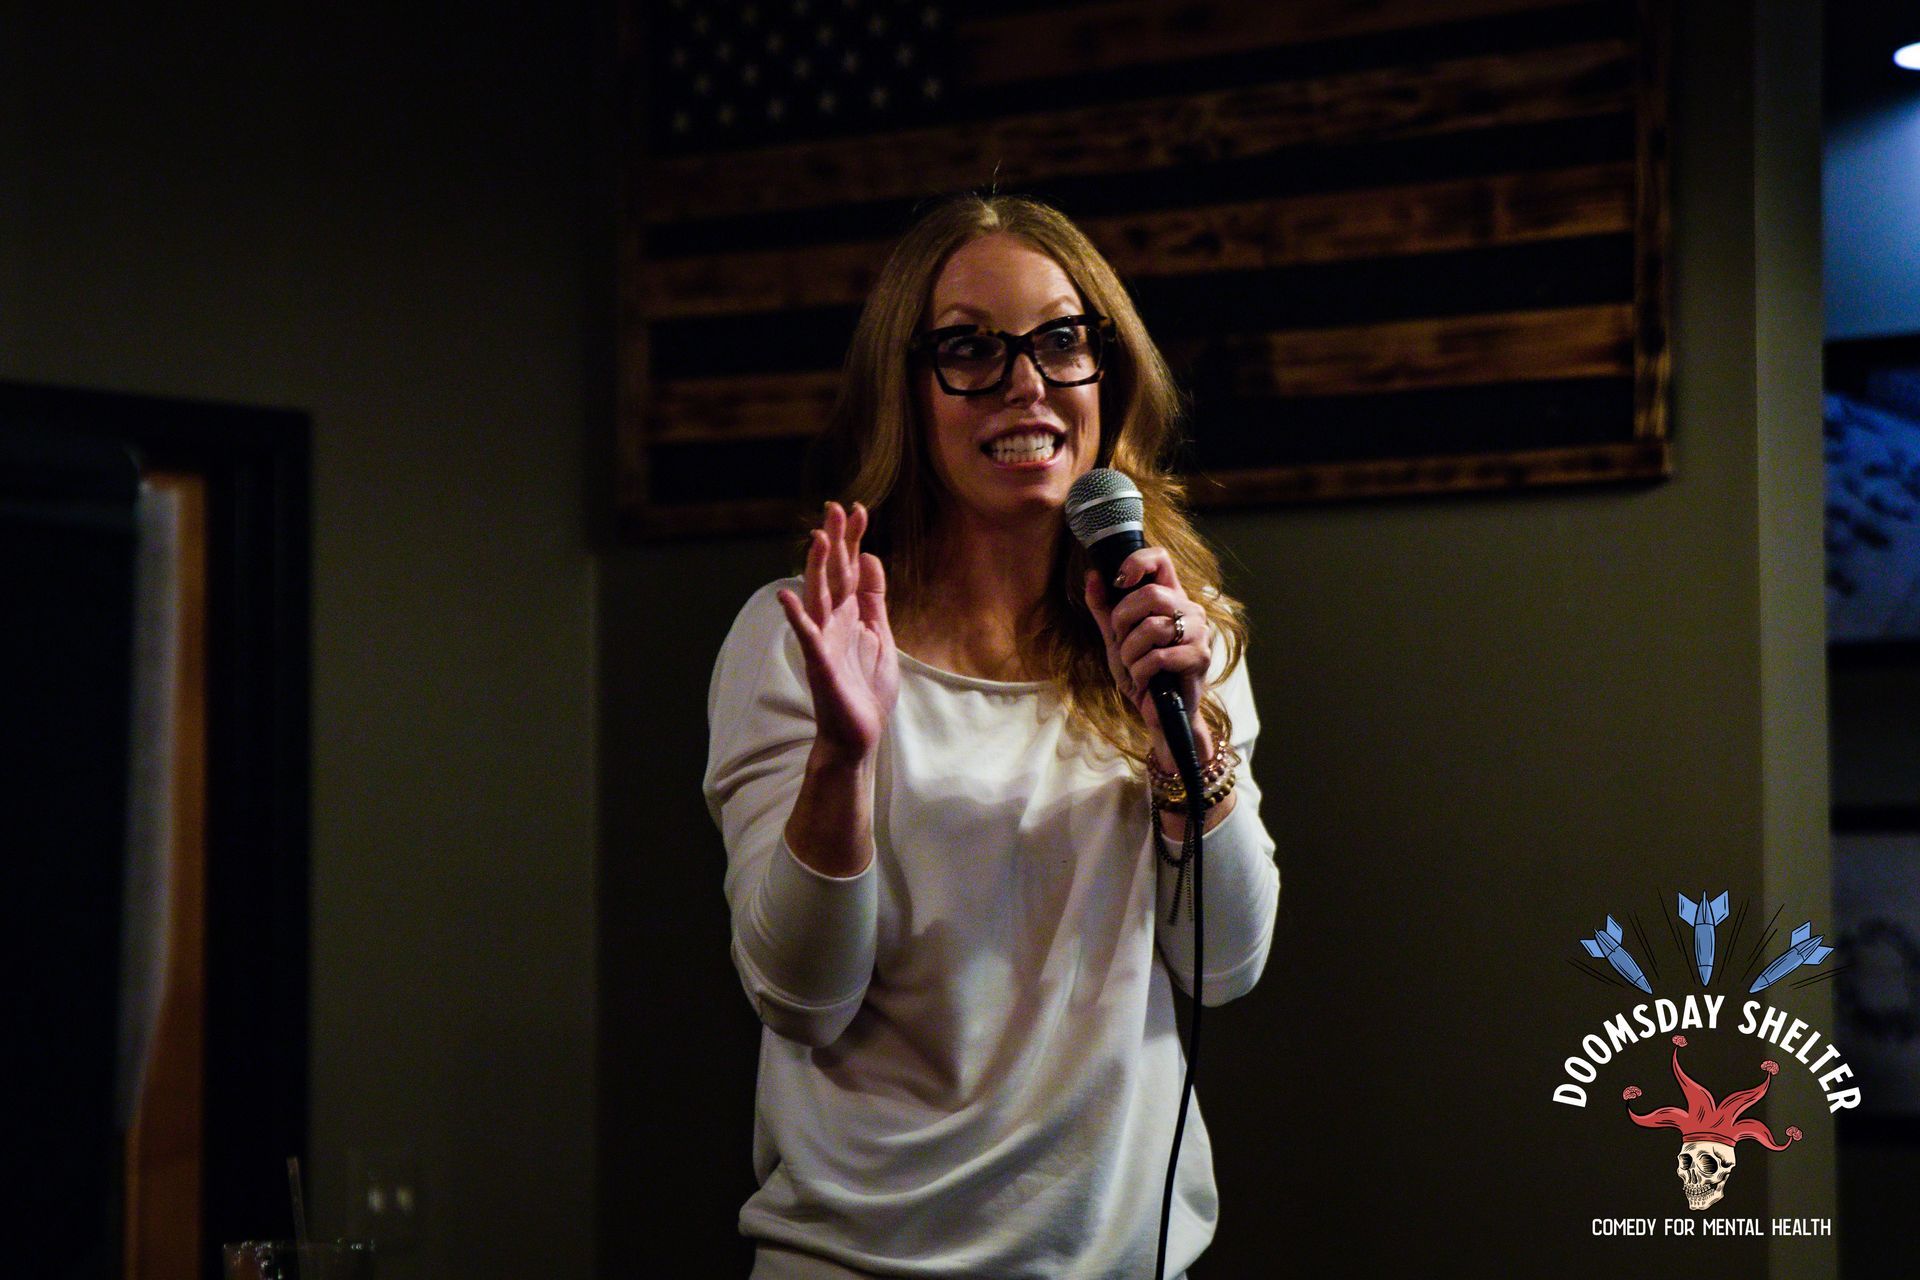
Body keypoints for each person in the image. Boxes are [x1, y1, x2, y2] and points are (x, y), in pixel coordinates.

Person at [704, 194, 1280, 1279]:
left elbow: (1224, 964)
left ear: (1108, 372)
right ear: (907, 391)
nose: (1027, 383)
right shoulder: (803, 638)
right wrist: (843, 758)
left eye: (1062, 340)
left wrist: (1188, 745)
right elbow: (800, 997)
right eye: (971, 348)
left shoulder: (1177, 632)